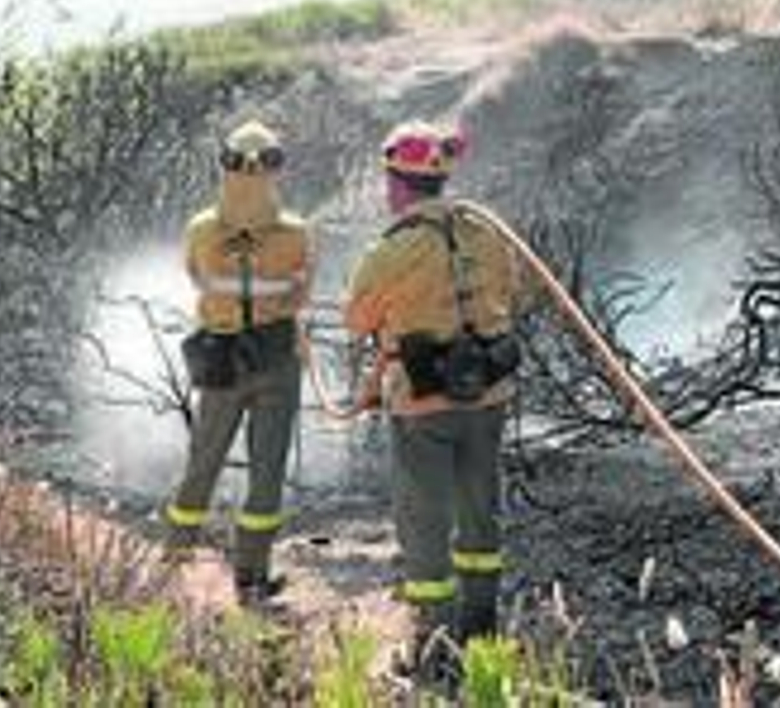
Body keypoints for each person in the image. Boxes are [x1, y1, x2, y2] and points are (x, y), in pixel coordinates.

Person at [343, 120, 530, 667]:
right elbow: (514, 292)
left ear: (397, 184)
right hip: (489, 394)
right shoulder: (488, 231)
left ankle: (435, 645)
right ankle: (482, 632)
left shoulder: (395, 247)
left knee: (425, 522)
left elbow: (357, 319)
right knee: (480, 513)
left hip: (423, 402)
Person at [164, 119, 313, 605]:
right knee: (266, 470)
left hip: (222, 357)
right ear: (276, 170)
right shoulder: (296, 234)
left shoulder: (202, 229)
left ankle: (174, 560)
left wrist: (233, 288)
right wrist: (272, 292)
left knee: (203, 459)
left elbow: (197, 276)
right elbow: (300, 293)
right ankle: (251, 577)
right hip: (275, 357)